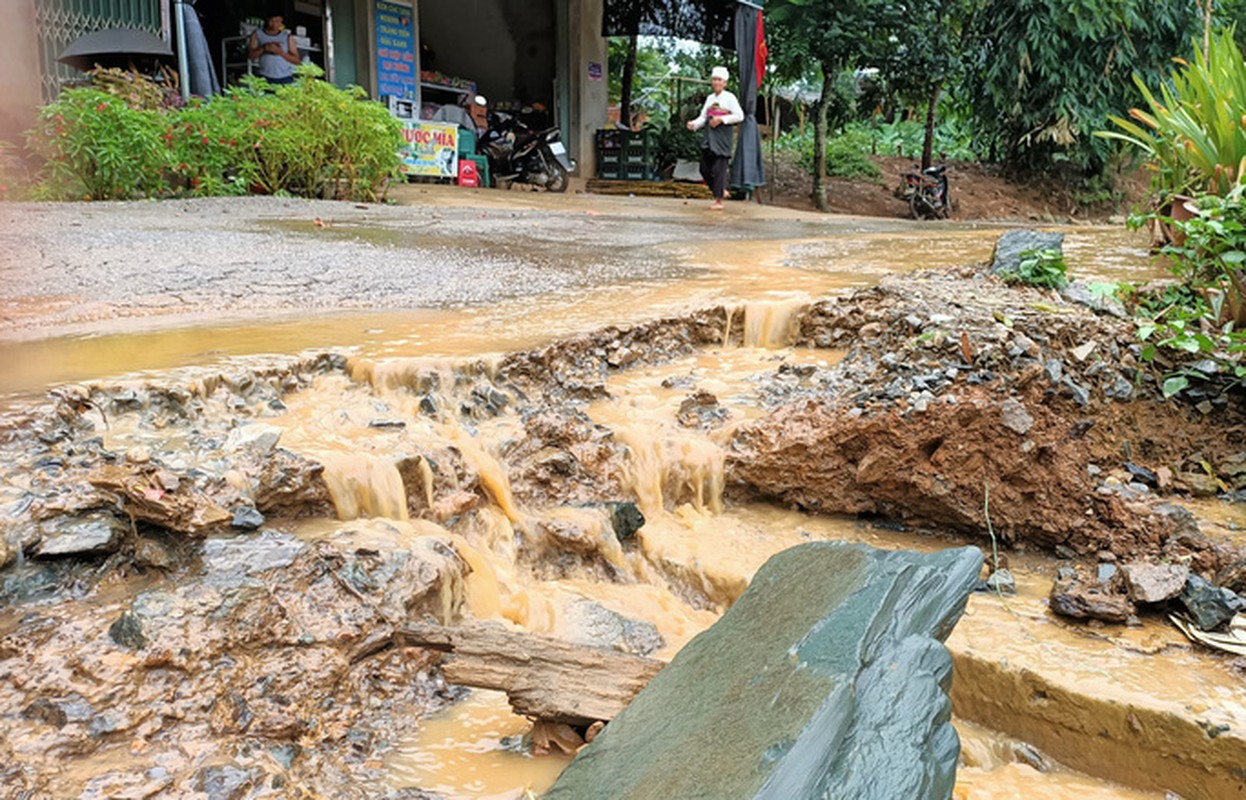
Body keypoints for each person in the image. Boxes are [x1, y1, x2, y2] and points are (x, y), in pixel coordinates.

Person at [686, 65, 744, 210]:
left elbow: (739, 116)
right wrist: (693, 124)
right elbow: (703, 117)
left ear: (724, 82)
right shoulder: (710, 98)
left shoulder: (730, 98)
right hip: (709, 137)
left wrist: (721, 120)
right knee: (704, 168)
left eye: (719, 80)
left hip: (722, 138)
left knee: (719, 169)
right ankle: (719, 191)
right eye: (714, 79)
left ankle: (718, 201)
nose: (716, 82)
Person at [248, 15, 300, 85]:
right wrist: (264, 48)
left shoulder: (287, 36)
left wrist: (280, 52)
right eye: (272, 21)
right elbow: (250, 56)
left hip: (285, 78)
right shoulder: (257, 34)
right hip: (264, 77)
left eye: (278, 21)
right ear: (267, 20)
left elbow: (297, 61)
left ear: (281, 21)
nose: (275, 24)